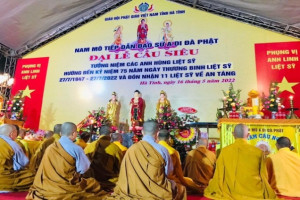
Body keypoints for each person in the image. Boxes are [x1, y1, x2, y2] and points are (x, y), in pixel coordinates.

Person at [26, 122, 107, 199]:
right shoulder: (76, 148)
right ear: (74, 134)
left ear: (60, 133)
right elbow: (83, 169)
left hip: (46, 185)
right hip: (66, 185)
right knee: (93, 184)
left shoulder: (50, 147)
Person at [108, 120, 186, 199]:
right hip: (157, 190)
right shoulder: (163, 150)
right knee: (181, 189)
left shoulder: (131, 149)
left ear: (142, 132)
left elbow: (124, 173)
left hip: (133, 189)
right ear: (157, 133)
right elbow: (168, 173)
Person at [204, 124, 276, 199]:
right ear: (248, 135)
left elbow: (219, 175)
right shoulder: (258, 152)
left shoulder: (225, 151)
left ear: (233, 134)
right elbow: (264, 176)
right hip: (254, 193)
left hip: (229, 192)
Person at [158, 129, 198, 194]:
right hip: (169, 181)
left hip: (155, 180)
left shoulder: (152, 149)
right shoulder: (173, 152)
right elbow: (178, 172)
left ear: (157, 137)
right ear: (169, 138)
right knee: (190, 182)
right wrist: (184, 182)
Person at [84, 126, 123, 191]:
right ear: (110, 135)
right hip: (109, 182)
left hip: (91, 181)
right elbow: (120, 168)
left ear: (99, 134)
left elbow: (83, 165)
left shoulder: (89, 146)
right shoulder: (115, 148)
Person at [0, 124, 35, 191]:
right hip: (3, 178)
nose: (17, 135)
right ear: (12, 133)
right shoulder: (13, 145)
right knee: (33, 176)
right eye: (16, 133)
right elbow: (22, 164)